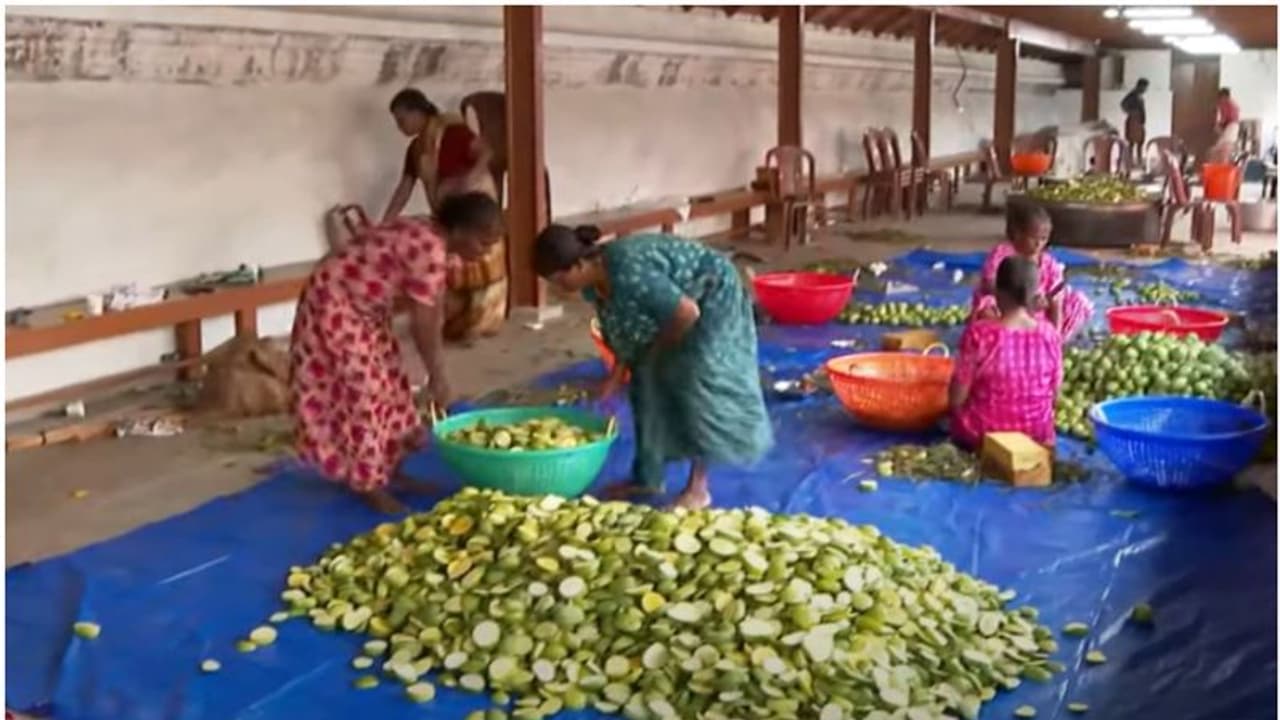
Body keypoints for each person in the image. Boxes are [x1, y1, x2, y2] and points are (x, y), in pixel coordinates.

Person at [290, 192, 504, 514]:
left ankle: (390, 470)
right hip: (333, 305)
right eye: (482, 243)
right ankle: (369, 484)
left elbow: (434, 304)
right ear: (459, 231)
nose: (486, 252)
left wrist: (436, 370)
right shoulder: (429, 248)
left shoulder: (433, 236)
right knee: (364, 393)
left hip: (364, 311)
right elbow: (424, 321)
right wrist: (439, 375)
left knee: (391, 383)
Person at [533, 226, 774, 510]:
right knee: (645, 382)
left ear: (578, 264)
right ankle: (647, 477)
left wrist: (660, 351)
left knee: (695, 380)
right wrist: (616, 376)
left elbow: (686, 313)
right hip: (679, 307)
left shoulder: (627, 270)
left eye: (559, 279)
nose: (559, 288)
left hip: (712, 296)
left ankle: (698, 488)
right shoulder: (597, 281)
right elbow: (625, 331)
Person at [382, 88, 507, 342]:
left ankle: (483, 324)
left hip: (474, 211)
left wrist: (470, 178)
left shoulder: (452, 131)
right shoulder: (416, 150)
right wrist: (386, 221)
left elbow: (486, 153)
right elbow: (405, 186)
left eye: (402, 120)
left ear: (419, 112)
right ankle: (459, 326)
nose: (400, 127)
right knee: (456, 273)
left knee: (483, 264)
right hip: (450, 217)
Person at [951, 255, 1062, 451]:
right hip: (1036, 434)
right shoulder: (1049, 333)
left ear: (998, 293)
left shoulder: (980, 334)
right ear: (1034, 295)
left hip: (984, 434)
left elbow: (957, 398)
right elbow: (1055, 395)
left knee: (954, 417)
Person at [972, 204, 1093, 340]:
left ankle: (1049, 339)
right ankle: (999, 336)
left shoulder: (1049, 265)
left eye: (1043, 239)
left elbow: (1055, 302)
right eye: (1033, 238)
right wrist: (1023, 301)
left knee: (1076, 302)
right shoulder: (1002, 254)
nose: (1038, 244)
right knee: (987, 306)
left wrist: (1055, 337)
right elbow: (988, 285)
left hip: (1036, 316)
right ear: (1018, 234)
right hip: (1005, 310)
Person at [1121, 78, 1149, 167]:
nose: (1145, 90)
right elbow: (1123, 104)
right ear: (1140, 86)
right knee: (1131, 142)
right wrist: (1131, 112)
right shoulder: (1132, 95)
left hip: (1139, 121)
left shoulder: (1139, 95)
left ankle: (1139, 160)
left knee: (1140, 141)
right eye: (1145, 87)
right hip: (1133, 121)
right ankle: (1130, 161)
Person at [1212, 87, 1242, 161]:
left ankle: (1223, 169)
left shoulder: (1226, 103)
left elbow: (1224, 119)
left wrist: (1218, 125)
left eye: (1220, 97)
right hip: (1232, 127)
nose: (1219, 100)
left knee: (1223, 150)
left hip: (1231, 126)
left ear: (1224, 96)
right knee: (1218, 150)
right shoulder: (1233, 104)